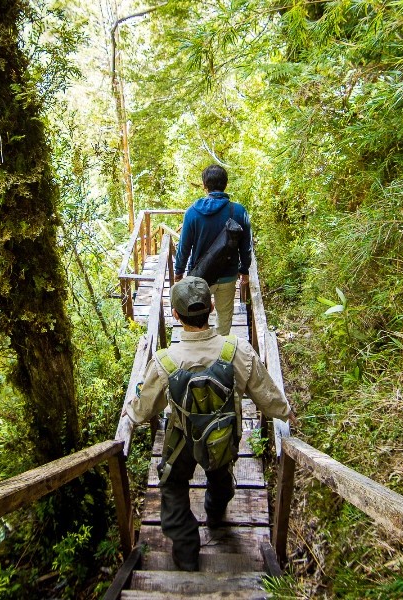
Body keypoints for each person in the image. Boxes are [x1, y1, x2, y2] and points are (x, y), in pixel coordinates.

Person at [115, 277, 296, 572]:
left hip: (182, 437)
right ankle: (215, 512)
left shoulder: (165, 361)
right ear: (212, 307)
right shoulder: (237, 350)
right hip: (223, 434)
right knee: (221, 472)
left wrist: (131, 415)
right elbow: (265, 391)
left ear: (175, 314)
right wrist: (285, 411)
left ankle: (186, 551)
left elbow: (146, 406)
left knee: (172, 484)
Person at [174, 164, 252, 336]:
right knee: (224, 316)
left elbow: (184, 246)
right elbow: (246, 246)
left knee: (198, 315)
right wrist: (244, 270)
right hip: (228, 275)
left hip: (200, 277)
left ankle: (201, 350)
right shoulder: (238, 211)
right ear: (226, 184)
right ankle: (220, 353)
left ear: (204, 185)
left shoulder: (192, 213)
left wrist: (179, 271)